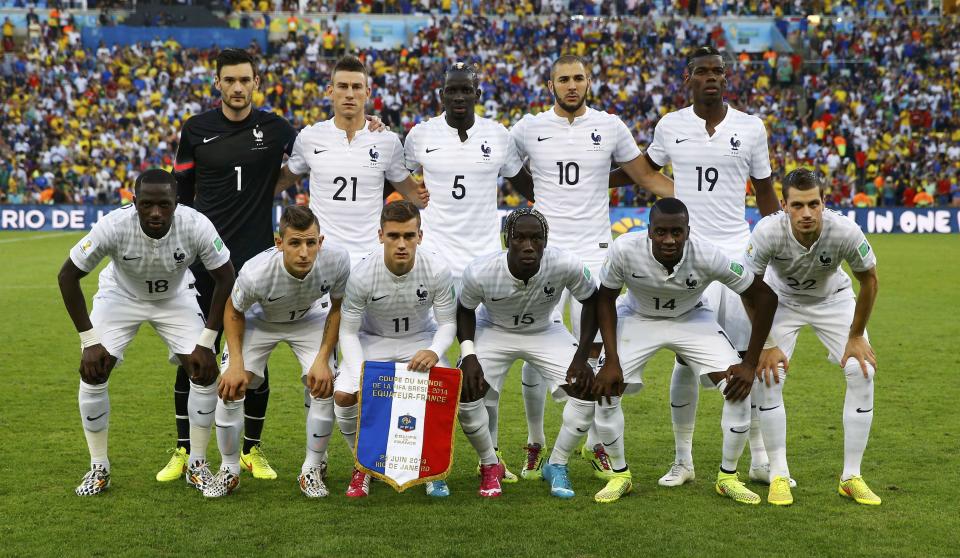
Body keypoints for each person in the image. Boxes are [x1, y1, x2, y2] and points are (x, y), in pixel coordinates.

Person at [509, 54, 674, 482]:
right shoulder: (529, 128)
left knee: (597, 351)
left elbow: (647, 178)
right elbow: (497, 161)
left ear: (589, 81)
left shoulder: (610, 126)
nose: (571, 85)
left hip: (596, 251)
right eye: (563, 79)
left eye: (578, 78)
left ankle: (595, 441)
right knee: (535, 342)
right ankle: (535, 442)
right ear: (550, 85)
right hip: (544, 252)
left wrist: (704, 199)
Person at [644, 45, 782, 488]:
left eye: (718, 71)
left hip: (738, 254)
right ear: (688, 79)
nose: (711, 78)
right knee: (686, 360)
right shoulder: (671, 126)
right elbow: (642, 170)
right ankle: (683, 461)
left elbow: (764, 191)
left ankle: (759, 459)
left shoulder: (750, 127)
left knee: (750, 358)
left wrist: (776, 239)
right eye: (702, 72)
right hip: (690, 256)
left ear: (727, 78)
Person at [57, 169, 235, 496]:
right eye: (147, 204)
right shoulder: (112, 225)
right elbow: (67, 276)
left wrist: (207, 340)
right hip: (120, 296)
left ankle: (197, 464)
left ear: (176, 203)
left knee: (203, 371)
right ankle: (99, 467)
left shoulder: (196, 225)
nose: (156, 213)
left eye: (164, 205)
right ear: (134, 202)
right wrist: (89, 341)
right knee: (93, 372)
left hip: (175, 298)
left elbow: (226, 277)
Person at [592, 197, 778, 505]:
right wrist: (610, 359)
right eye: (661, 232)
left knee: (740, 387)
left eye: (677, 232)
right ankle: (620, 475)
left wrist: (749, 362)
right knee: (607, 389)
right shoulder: (624, 249)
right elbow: (605, 299)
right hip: (638, 316)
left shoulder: (707, 254)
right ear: (648, 231)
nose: (669, 240)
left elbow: (765, 297)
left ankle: (727, 477)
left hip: (692, 317)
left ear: (688, 231)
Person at [403, 61, 535, 481]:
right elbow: (393, 171)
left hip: (484, 267)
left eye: (465, 90)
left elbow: (528, 188)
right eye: (451, 91)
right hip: (437, 263)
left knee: (485, 369)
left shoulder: (498, 136)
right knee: (433, 364)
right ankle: (427, 463)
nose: (458, 97)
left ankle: (490, 459)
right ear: (441, 94)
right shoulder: (421, 134)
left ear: (477, 93)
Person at [171, 48, 297, 482]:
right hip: (205, 262)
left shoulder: (277, 128)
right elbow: (180, 191)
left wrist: (367, 124)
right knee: (197, 356)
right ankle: (185, 451)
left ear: (256, 82)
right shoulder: (196, 129)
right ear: (218, 84)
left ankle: (251, 451)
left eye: (246, 80)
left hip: (257, 263)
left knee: (254, 362)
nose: (238, 88)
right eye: (231, 81)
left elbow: (316, 154)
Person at [746, 168, 881, 506]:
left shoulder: (845, 231)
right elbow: (748, 287)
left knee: (861, 371)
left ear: (824, 202)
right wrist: (766, 344)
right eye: (796, 206)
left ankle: (851, 476)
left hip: (832, 299)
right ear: (783, 205)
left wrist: (856, 335)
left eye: (812, 204)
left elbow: (870, 280)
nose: (805, 213)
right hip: (780, 301)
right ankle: (778, 474)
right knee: (769, 374)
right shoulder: (766, 232)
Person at [456, 208, 610, 500]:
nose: (528, 246)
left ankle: (557, 463)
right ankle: (491, 464)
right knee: (467, 391)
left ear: (546, 241)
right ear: (507, 240)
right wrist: (469, 354)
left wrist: (581, 358)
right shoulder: (480, 270)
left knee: (587, 389)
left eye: (536, 239)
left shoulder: (565, 263)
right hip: (495, 330)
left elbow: (592, 301)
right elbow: (464, 310)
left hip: (544, 330)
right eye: (520, 238)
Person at [203, 206, 351, 498]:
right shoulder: (256, 271)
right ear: (279, 242)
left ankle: (312, 468)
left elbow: (338, 307)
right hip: (261, 321)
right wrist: (235, 362)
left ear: (321, 241)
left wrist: (323, 358)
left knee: (323, 385)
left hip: (310, 320)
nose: (304, 252)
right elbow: (233, 309)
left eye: (311, 242)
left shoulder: (337, 260)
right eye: (295, 243)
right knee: (231, 387)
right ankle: (229, 469)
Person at [335, 201, 457, 498]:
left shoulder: (438, 268)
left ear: (420, 236)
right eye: (393, 236)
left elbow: (448, 323)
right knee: (344, 396)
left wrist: (435, 350)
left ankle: (432, 470)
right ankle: (363, 464)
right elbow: (348, 332)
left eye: (408, 236)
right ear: (380, 236)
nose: (401, 244)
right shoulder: (362, 274)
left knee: (445, 385)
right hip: (372, 339)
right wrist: (361, 371)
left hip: (420, 339)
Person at [277, 55, 429, 268]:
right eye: (343, 86)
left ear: (367, 93)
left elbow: (415, 195)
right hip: (321, 259)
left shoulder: (387, 141)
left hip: (370, 260)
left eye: (357, 87)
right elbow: (281, 181)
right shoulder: (310, 137)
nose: (349, 94)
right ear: (330, 91)